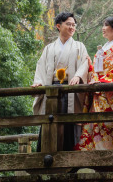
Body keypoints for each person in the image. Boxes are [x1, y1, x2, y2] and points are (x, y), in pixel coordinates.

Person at [76, 16, 113, 158]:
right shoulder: (106, 46)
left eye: (106, 25)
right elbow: (98, 70)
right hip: (98, 91)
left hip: (109, 91)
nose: (103, 28)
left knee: (109, 126)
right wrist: (90, 68)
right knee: (98, 125)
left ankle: (110, 158)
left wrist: (104, 80)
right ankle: (96, 157)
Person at [32, 12, 89, 151]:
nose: (71, 27)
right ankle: (46, 153)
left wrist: (78, 76)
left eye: (73, 25)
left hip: (71, 89)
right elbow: (40, 67)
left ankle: (70, 157)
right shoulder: (49, 48)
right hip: (52, 88)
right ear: (59, 26)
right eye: (68, 24)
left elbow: (86, 63)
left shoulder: (79, 46)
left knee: (69, 123)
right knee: (50, 121)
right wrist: (39, 82)